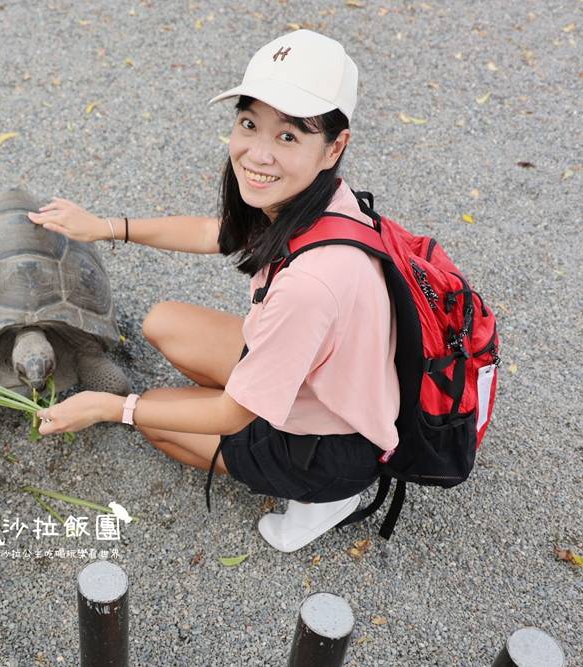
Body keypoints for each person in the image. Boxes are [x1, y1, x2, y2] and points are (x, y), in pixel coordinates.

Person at [26, 30, 399, 553]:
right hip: (326, 378)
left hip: (331, 444)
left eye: (288, 136)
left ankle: (327, 501)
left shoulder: (311, 286)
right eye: (249, 124)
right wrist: (105, 226)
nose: (257, 154)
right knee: (164, 322)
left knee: (155, 420)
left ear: (335, 146)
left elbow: (231, 415)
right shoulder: (321, 201)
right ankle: (238, 413)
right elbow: (214, 232)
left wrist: (113, 408)